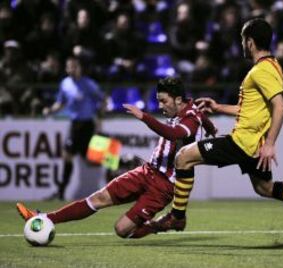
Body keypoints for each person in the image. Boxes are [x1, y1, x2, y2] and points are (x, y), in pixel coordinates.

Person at [151, 18, 283, 235]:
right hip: (252, 144)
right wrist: (218, 107)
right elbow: (252, 110)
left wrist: (270, 144)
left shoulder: (262, 71)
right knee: (265, 188)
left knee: (183, 156)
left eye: (243, 40)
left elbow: (280, 106)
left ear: (250, 42)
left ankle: (177, 218)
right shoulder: (271, 66)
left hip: (243, 142)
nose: (242, 45)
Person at [16, 77, 217, 239]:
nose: (161, 105)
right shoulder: (190, 109)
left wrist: (145, 117)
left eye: (164, 100)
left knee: (122, 230)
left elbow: (175, 134)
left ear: (178, 100)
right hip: (147, 171)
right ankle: (44, 217)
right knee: (98, 198)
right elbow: (204, 119)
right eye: (158, 100)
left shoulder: (190, 118)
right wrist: (211, 128)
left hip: (165, 185)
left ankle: (163, 224)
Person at [42, 56, 105, 200]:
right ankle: (62, 191)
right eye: (69, 66)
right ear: (66, 68)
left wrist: (100, 117)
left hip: (88, 124)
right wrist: (50, 110)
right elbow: (60, 102)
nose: (72, 69)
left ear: (80, 68)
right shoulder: (65, 84)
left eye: (74, 66)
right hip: (75, 125)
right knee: (69, 155)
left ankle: (61, 191)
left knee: (96, 158)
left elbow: (102, 99)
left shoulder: (88, 84)